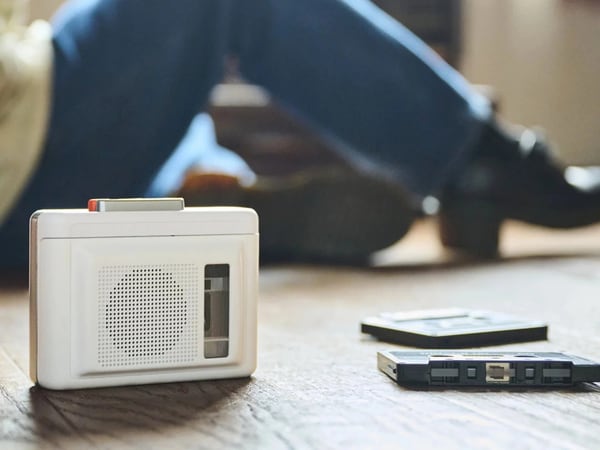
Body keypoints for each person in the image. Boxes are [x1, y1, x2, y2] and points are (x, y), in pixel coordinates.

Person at [1, 0, 599, 268]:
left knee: (174, 111)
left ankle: (204, 204)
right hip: (23, 162)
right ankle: (479, 165)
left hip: (32, 113)